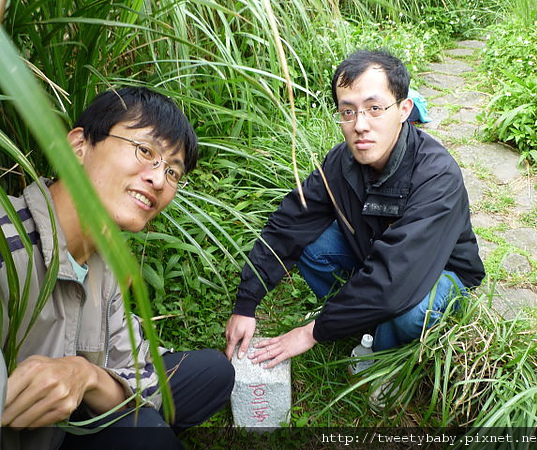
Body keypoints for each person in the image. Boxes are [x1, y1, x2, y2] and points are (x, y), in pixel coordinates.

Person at [0, 87, 234, 449]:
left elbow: (143, 387)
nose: (159, 179)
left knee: (214, 373)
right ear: (77, 146)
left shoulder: (106, 262)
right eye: (145, 151)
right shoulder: (8, 251)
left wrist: (85, 376)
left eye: (173, 171)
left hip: (69, 421)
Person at [225, 49, 485, 369]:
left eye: (374, 108)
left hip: (441, 273)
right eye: (348, 112)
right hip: (376, 255)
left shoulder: (436, 174)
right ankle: (358, 321)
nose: (360, 125)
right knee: (311, 245)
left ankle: (383, 357)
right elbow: (289, 225)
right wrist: (246, 303)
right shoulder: (341, 162)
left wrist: (311, 333)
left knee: (411, 311)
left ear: (403, 110)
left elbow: (396, 281)